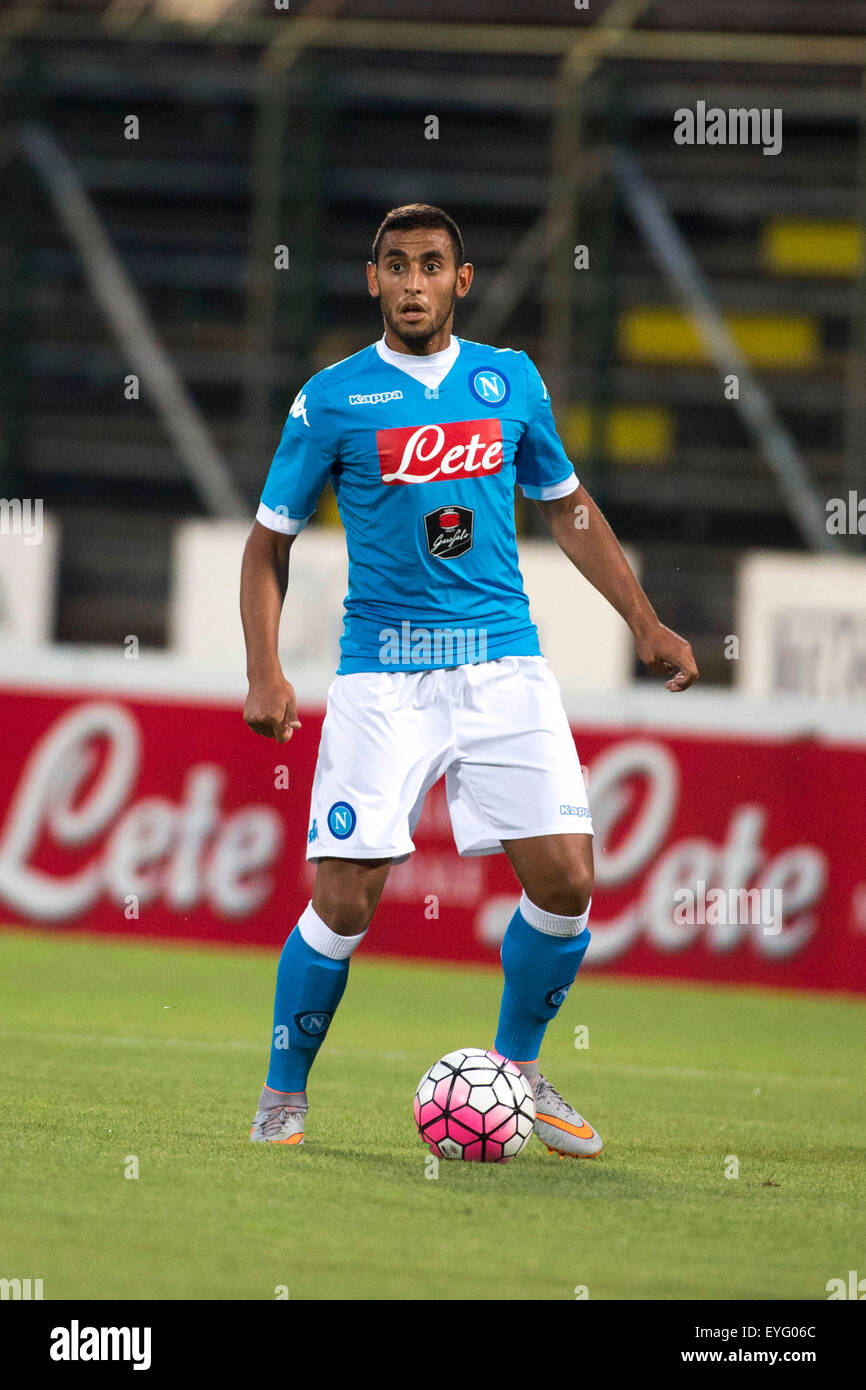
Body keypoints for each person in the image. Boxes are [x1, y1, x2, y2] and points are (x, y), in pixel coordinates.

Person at [240, 203, 698, 1156]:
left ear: (463, 279)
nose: (413, 282)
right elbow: (266, 546)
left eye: (431, 264)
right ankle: (284, 1093)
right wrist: (267, 669)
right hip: (384, 676)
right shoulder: (332, 398)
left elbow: (568, 509)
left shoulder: (509, 383)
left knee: (569, 880)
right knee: (343, 900)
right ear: (373, 281)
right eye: (396, 265)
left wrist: (644, 620)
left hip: (502, 664)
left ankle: (520, 1073)